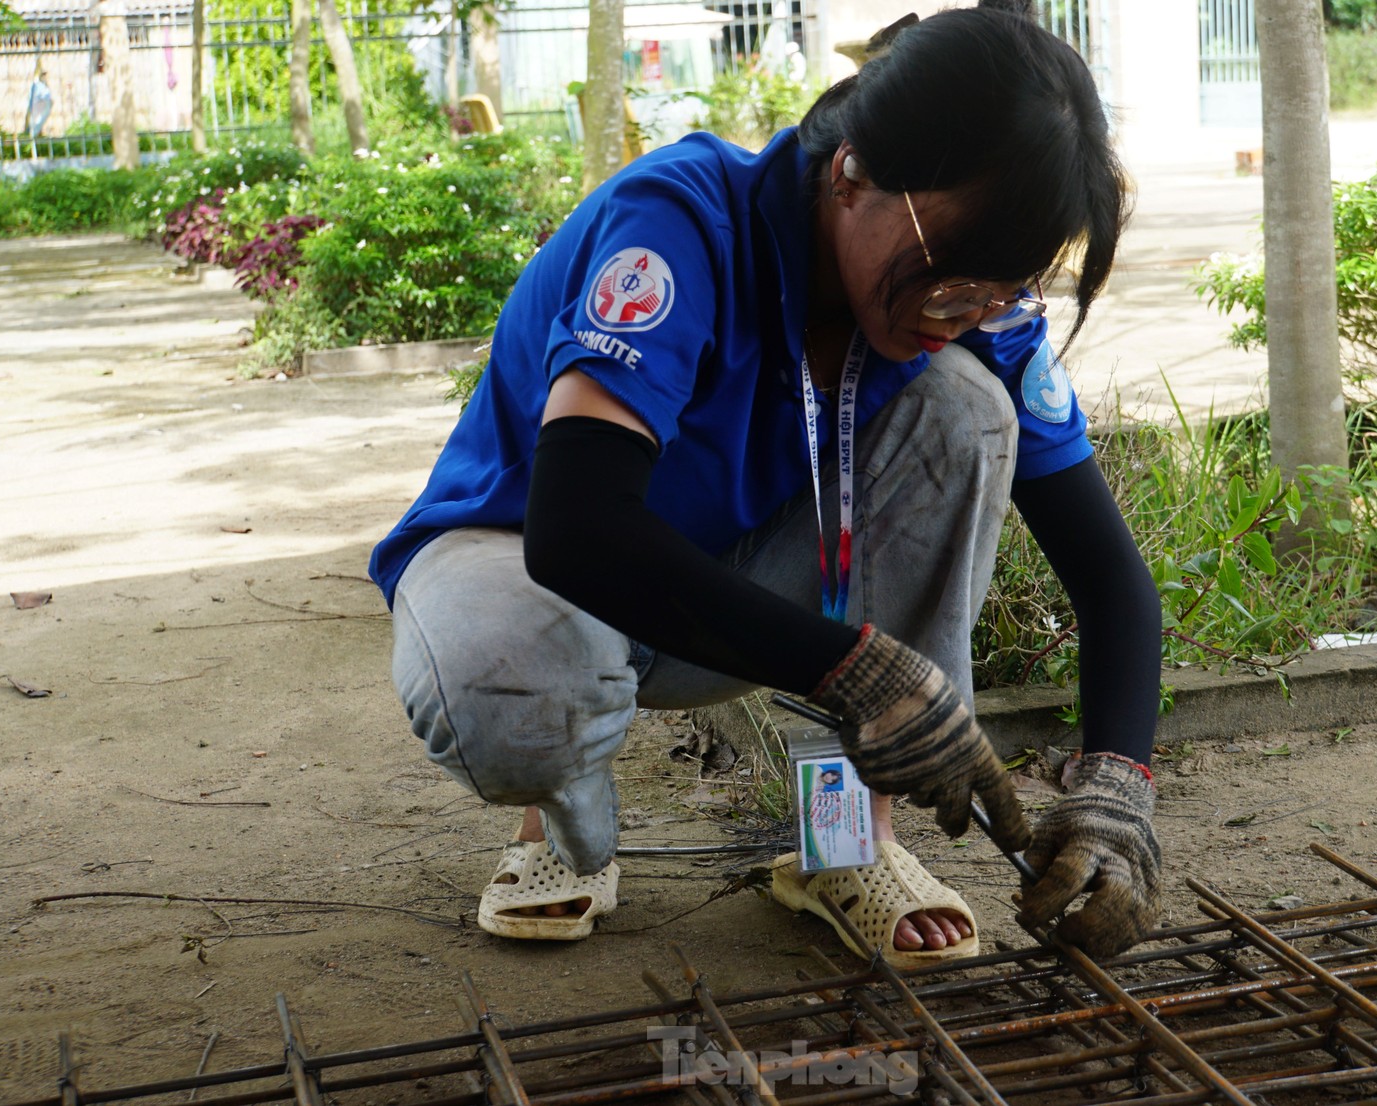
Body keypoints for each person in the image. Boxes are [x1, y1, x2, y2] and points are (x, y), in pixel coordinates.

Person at [371, 0, 1164, 964]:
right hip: (524, 559)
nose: (964, 313)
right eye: (950, 274)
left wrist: (1116, 788)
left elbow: (1110, 578)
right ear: (852, 176)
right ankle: (563, 817)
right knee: (518, 695)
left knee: (965, 407)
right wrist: (859, 673)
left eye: (1005, 288)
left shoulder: (982, 315)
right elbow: (577, 529)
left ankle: (844, 845)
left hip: (738, 599)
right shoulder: (680, 225)